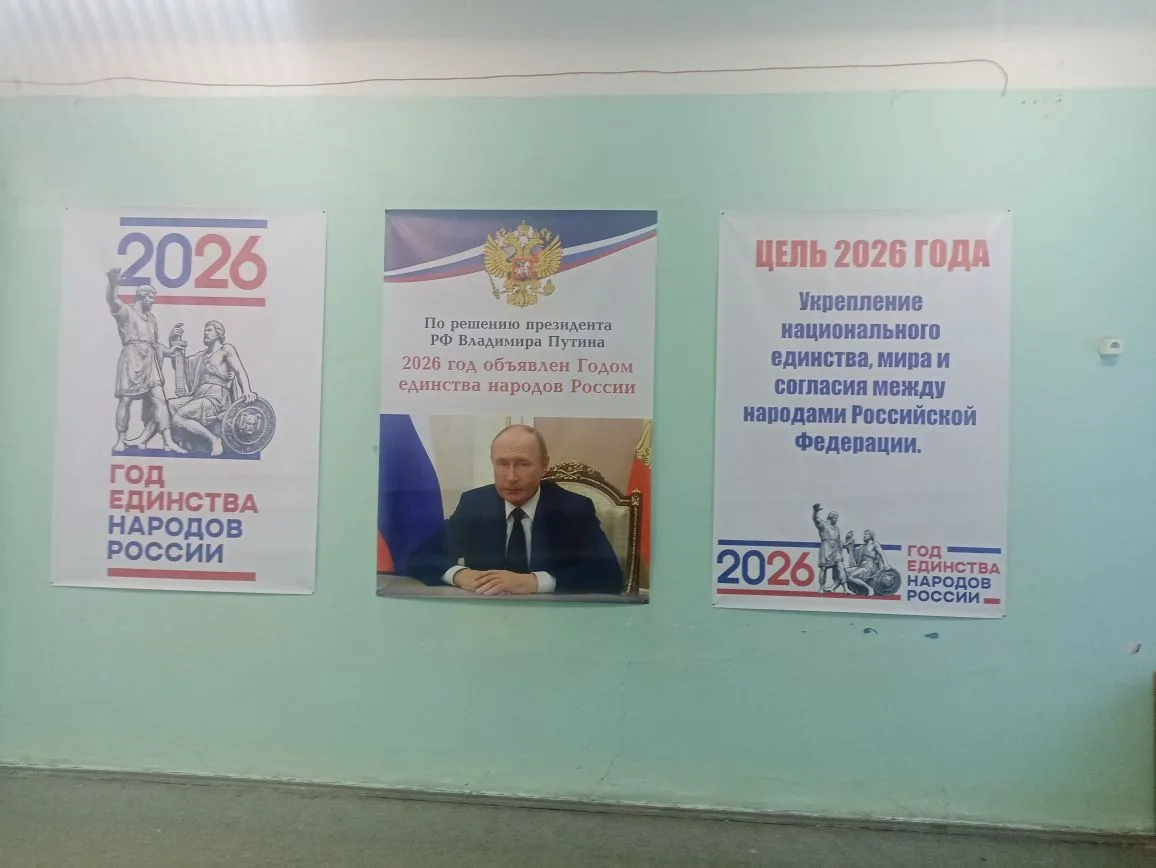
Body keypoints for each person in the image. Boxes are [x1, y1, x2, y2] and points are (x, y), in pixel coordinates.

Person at [408, 425, 623, 595]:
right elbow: (421, 557)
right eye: (502, 464)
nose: (511, 477)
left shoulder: (572, 508)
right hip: (487, 615)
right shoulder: (475, 505)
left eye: (523, 464)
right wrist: (459, 575)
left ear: (544, 465)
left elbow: (609, 575)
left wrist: (533, 582)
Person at [130, 320, 256, 456]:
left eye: (209, 330)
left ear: (219, 333)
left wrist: (247, 390)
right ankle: (143, 439)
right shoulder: (201, 356)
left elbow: (239, 371)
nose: (205, 333)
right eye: (205, 330)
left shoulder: (225, 349)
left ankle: (214, 440)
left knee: (179, 418)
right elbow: (179, 365)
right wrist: (173, 339)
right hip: (199, 395)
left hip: (216, 397)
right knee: (165, 406)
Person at [105, 267, 183, 453]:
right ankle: (121, 439)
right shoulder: (126, 312)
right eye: (150, 298)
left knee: (160, 400)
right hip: (131, 358)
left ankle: (168, 441)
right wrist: (113, 283)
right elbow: (113, 301)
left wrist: (170, 351)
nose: (152, 301)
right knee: (125, 400)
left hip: (150, 361)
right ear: (141, 296)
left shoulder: (151, 319)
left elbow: (155, 345)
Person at [812, 503, 844, 593]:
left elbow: (839, 541)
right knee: (823, 568)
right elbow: (816, 519)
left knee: (838, 568)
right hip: (826, 547)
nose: (837, 520)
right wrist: (815, 511)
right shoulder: (823, 525)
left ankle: (833, 587)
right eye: (836, 518)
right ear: (831, 517)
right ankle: (822, 587)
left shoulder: (836, 528)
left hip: (835, 549)